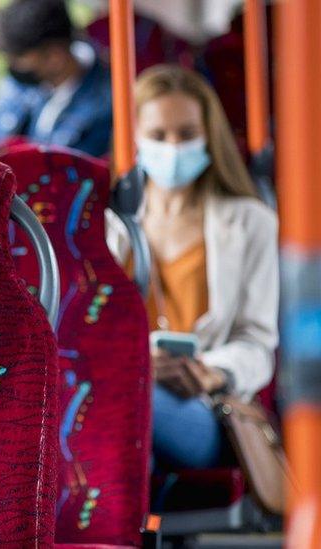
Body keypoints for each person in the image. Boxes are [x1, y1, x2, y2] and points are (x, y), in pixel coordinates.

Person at [108, 65, 278, 470]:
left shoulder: (250, 221)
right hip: (120, 386)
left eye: (186, 135)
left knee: (131, 398)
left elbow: (257, 345)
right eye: (157, 136)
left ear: (209, 138)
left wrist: (211, 372)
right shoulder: (107, 222)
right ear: (134, 139)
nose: (172, 148)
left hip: (205, 407)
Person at [0, 0, 113, 157]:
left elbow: (68, 178)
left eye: (18, 59)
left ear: (54, 57)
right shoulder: (22, 84)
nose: (12, 67)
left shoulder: (106, 105)